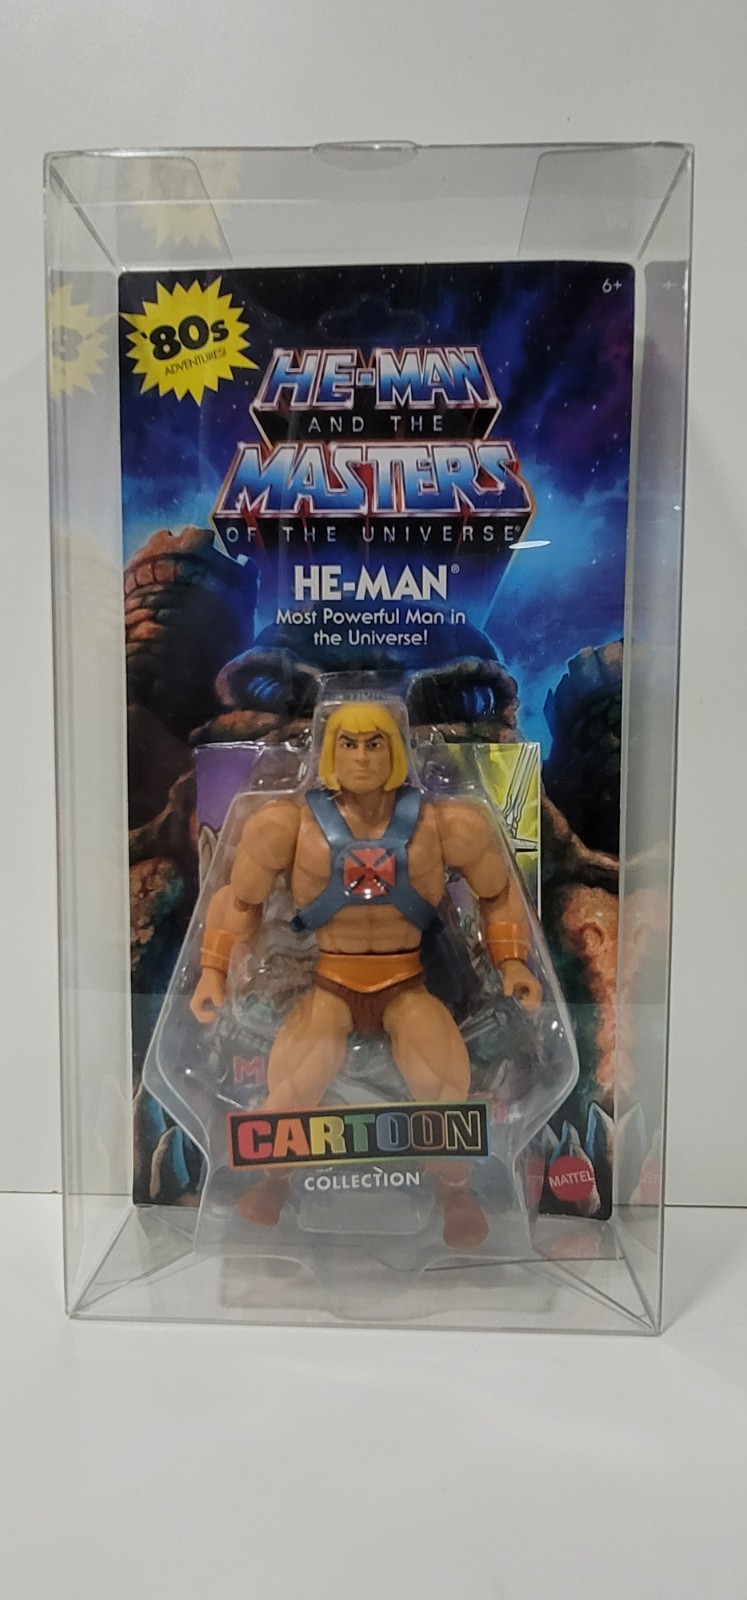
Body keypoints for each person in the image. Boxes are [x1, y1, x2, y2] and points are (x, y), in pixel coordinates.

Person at [192, 702, 541, 1247]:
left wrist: (513, 962)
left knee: (444, 1094)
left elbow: (498, 893)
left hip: (407, 983)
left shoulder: (445, 826)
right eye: (348, 744)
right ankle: (274, 1184)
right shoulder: (287, 826)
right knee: (291, 1092)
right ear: (328, 752)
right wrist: (213, 972)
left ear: (395, 750)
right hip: (330, 983)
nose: (360, 757)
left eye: (374, 743)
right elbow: (239, 901)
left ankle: (455, 1194)